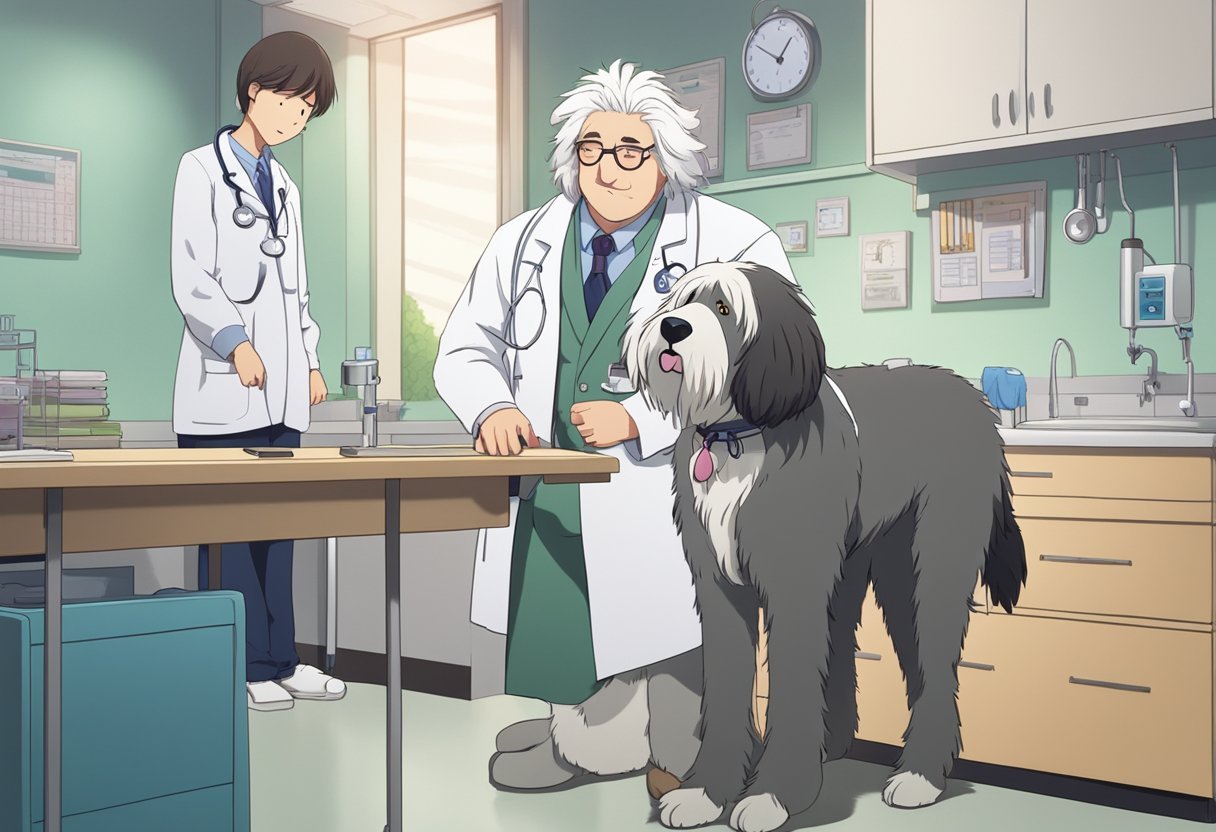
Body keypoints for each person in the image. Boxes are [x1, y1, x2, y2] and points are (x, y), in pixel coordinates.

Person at [434, 60, 795, 793]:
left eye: (632, 149)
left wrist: (638, 418)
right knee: (567, 610)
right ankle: (592, 747)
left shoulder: (733, 238)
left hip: (677, 475)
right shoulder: (523, 240)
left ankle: (690, 755)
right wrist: (492, 407)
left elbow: (767, 363)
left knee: (680, 621)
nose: (610, 166)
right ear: (573, 158)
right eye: (593, 148)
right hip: (552, 472)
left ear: (665, 159)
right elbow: (465, 346)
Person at [169, 31, 345, 712]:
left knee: (280, 537)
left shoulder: (286, 187)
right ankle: (238, 665)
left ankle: (283, 660)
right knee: (231, 545)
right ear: (253, 91)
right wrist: (236, 342)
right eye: (290, 101)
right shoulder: (200, 170)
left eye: (307, 109)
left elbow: (295, 288)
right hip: (222, 394)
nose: (296, 117)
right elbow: (192, 276)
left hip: (280, 400)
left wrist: (310, 359)